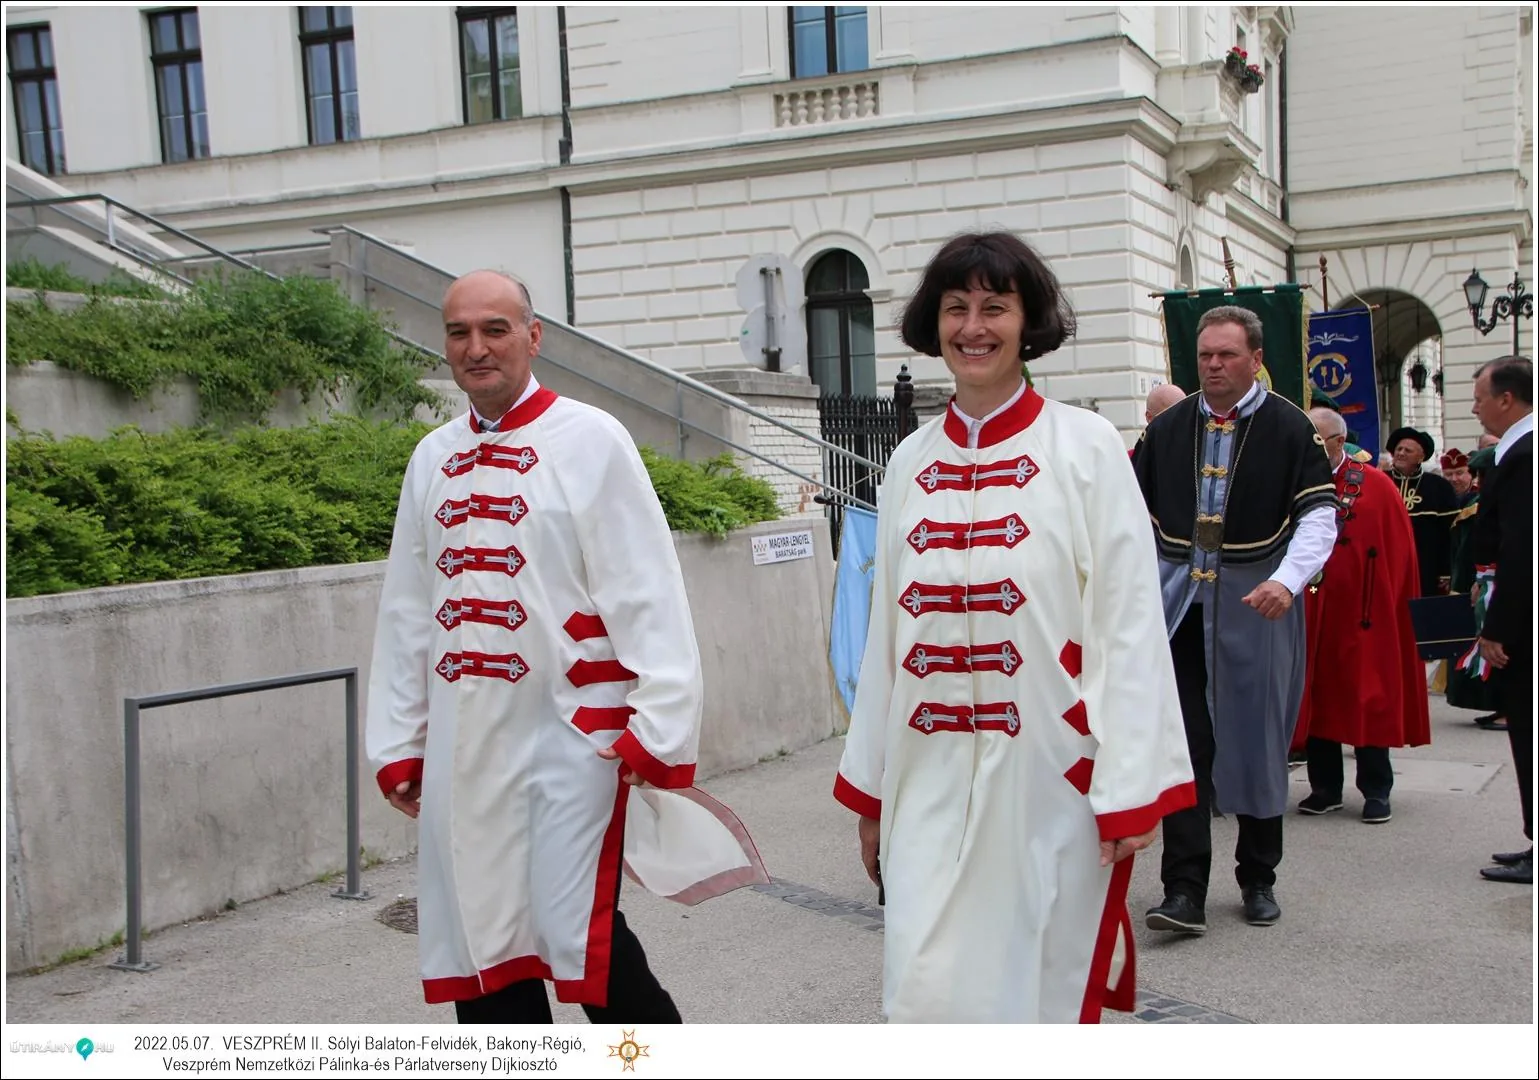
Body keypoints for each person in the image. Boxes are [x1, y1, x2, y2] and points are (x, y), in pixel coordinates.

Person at [366, 270, 767, 1023]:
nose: (476, 348)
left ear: (532, 336)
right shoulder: (431, 459)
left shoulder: (590, 440)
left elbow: (644, 586)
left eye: (495, 329)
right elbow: (407, 612)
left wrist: (659, 722)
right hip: (464, 748)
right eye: (459, 333)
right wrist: (400, 741)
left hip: (572, 743)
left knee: (583, 935)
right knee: (479, 942)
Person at [833, 232, 1195, 1024]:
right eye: (956, 308)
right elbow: (884, 640)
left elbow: (1129, 623)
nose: (972, 326)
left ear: (1027, 322)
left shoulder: (1087, 446)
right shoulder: (909, 464)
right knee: (921, 990)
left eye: (994, 307)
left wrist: (1131, 786)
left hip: (1049, 777)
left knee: (1034, 993)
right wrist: (871, 790)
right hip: (924, 775)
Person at [1133, 305, 1337, 933]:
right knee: (1185, 747)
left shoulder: (1288, 426)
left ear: (1254, 358)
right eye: (1205, 356)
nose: (1215, 366)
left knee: (1257, 738)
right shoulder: (1167, 429)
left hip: (1258, 604)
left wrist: (1287, 579)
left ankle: (1258, 876)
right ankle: (1184, 889)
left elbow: (1319, 515)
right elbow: (1124, 512)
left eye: (1226, 355)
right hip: (1180, 612)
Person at [1291, 404, 1429, 824]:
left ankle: (1376, 789)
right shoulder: (1294, 482)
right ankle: (1325, 787)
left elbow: (1399, 555)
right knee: (1316, 696)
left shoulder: (1376, 486)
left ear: (1336, 441)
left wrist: (1388, 604)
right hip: (1310, 610)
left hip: (1364, 613)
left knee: (1368, 696)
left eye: (1314, 438)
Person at [1468, 356, 1533, 885]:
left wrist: (1498, 628)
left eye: (1481, 397)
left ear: (1507, 399)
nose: (1476, 406)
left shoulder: (1524, 457)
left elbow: (1521, 553)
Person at [1444, 442, 1505, 729]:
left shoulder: (1503, 503)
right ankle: (1499, 704)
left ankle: (1509, 708)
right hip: (1486, 582)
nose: (1477, 482)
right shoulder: (1482, 503)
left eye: (1482, 475)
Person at [1385, 426, 1459, 596]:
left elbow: (1449, 534)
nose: (1401, 453)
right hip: (1387, 565)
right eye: (1399, 449)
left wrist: (1447, 571)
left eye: (1408, 450)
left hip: (1426, 568)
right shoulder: (1381, 480)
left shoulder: (1439, 487)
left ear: (1421, 457)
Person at [1132, 382, 1187, 464]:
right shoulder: (1131, 460)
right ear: (1149, 417)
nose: (1181, 422)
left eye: (1185, 414)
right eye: (1171, 416)